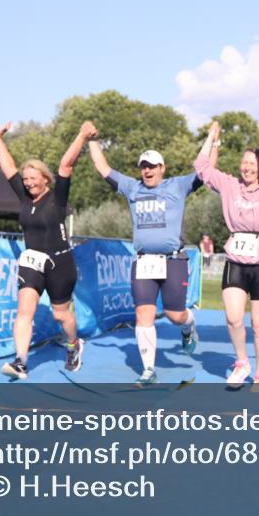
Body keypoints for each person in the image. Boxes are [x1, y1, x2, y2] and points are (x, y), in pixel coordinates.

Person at [86, 123, 213, 386]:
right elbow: (103, 168)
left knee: (175, 315)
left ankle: (189, 327)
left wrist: (214, 139)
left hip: (173, 260)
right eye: (144, 166)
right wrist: (92, 140)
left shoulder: (177, 186)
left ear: (162, 168)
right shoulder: (132, 188)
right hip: (144, 262)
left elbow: (206, 169)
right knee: (143, 315)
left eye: (152, 166)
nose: (147, 170)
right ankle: (148, 370)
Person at [0, 120, 90, 380]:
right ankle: (21, 362)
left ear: (45, 179)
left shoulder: (57, 198)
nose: (27, 183)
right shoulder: (25, 198)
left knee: (61, 315)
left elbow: (66, 165)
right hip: (33, 262)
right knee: (24, 311)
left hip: (60, 264)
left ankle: (73, 345)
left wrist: (81, 135)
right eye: (25, 179)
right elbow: (8, 167)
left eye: (33, 179)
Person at [194, 122, 259, 389]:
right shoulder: (229, 185)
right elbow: (201, 166)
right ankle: (242, 361)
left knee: (258, 323)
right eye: (244, 162)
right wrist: (212, 138)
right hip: (236, 258)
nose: (247, 167)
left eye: (252, 163)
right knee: (233, 318)